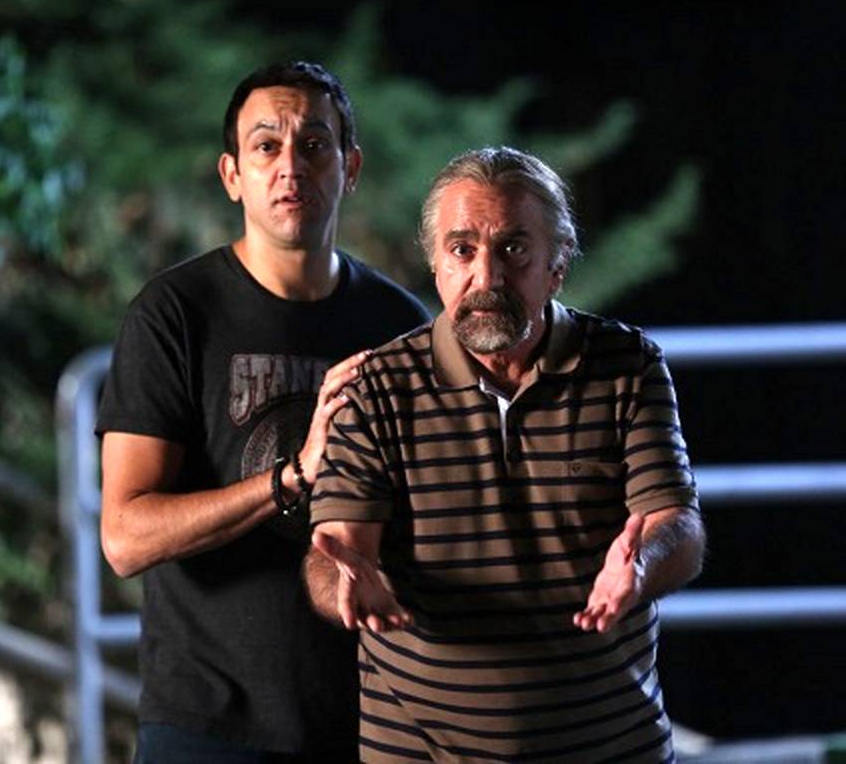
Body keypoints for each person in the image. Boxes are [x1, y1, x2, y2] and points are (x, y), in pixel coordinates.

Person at [307, 146, 706, 762]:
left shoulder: (628, 366)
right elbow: (338, 550)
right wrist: (348, 582)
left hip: (609, 748)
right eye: (462, 250)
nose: (487, 277)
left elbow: (676, 527)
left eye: (514, 249)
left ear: (557, 264)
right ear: (436, 264)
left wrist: (643, 564)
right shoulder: (376, 386)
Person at [96, 61, 430, 762]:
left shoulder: (398, 323)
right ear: (232, 175)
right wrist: (293, 476)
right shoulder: (175, 314)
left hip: (369, 718)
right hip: (207, 724)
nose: (290, 167)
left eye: (314, 145)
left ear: (350, 167)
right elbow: (125, 537)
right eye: (266, 145)